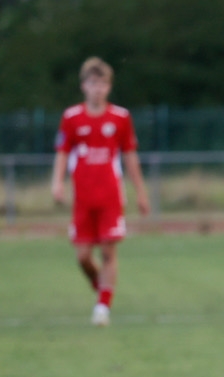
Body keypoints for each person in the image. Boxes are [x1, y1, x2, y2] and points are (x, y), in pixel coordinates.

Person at [50, 57, 151, 327]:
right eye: (93, 83)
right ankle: (102, 289)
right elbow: (62, 152)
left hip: (110, 196)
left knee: (108, 251)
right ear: (84, 85)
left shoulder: (121, 118)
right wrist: (57, 182)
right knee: (83, 256)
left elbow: (130, 156)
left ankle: (103, 306)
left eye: (102, 83)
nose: (98, 88)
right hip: (83, 198)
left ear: (109, 87)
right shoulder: (71, 117)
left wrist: (141, 192)